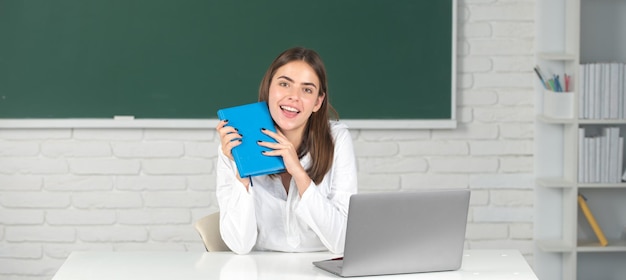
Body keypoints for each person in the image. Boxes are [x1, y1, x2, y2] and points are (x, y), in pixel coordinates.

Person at [215, 47, 358, 255]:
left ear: (318, 102)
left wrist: (299, 174)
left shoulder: (337, 139)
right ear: (268, 89)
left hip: (320, 268)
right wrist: (242, 172)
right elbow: (239, 245)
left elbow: (343, 243)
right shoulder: (235, 143)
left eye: (307, 90)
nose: (293, 97)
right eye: (284, 84)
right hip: (261, 269)